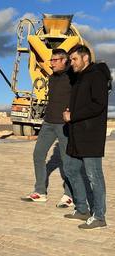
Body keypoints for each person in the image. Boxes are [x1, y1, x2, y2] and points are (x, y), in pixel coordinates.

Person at [62, 44, 109, 229]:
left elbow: (99, 104)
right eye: (70, 59)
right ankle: (82, 210)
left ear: (85, 58)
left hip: (91, 135)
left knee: (94, 175)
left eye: (74, 59)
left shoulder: (96, 75)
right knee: (71, 169)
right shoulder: (80, 77)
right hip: (77, 134)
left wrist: (73, 115)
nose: (71, 63)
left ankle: (99, 216)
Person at [21, 49, 74, 207]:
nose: (51, 63)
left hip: (65, 125)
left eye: (55, 60)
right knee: (38, 154)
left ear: (64, 61)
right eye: (51, 60)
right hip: (48, 123)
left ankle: (69, 195)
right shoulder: (51, 78)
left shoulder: (73, 77)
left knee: (67, 161)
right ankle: (40, 192)